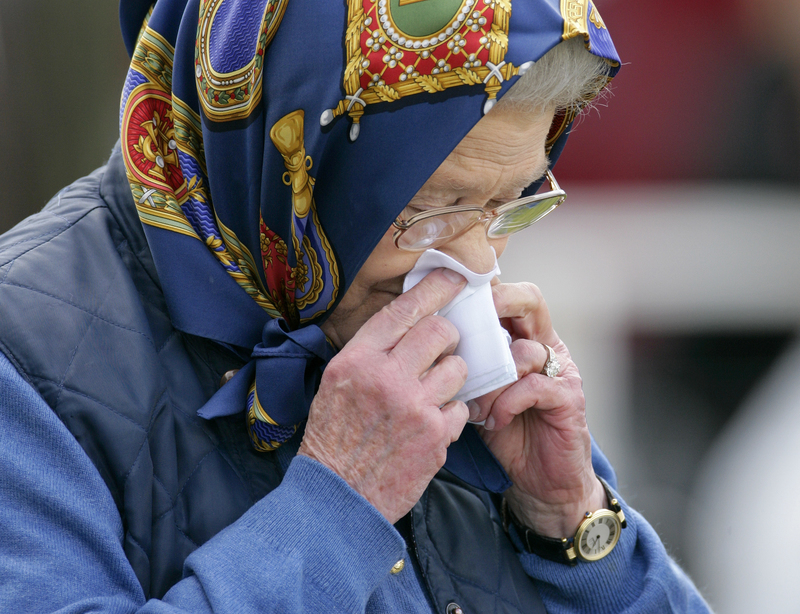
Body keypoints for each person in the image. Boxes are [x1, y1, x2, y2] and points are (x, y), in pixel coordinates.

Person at [0, 0, 711, 611]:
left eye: (510, 203)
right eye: (432, 207)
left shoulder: (467, 370)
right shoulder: (26, 353)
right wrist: (339, 503)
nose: (477, 262)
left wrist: (573, 522)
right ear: (294, 153)